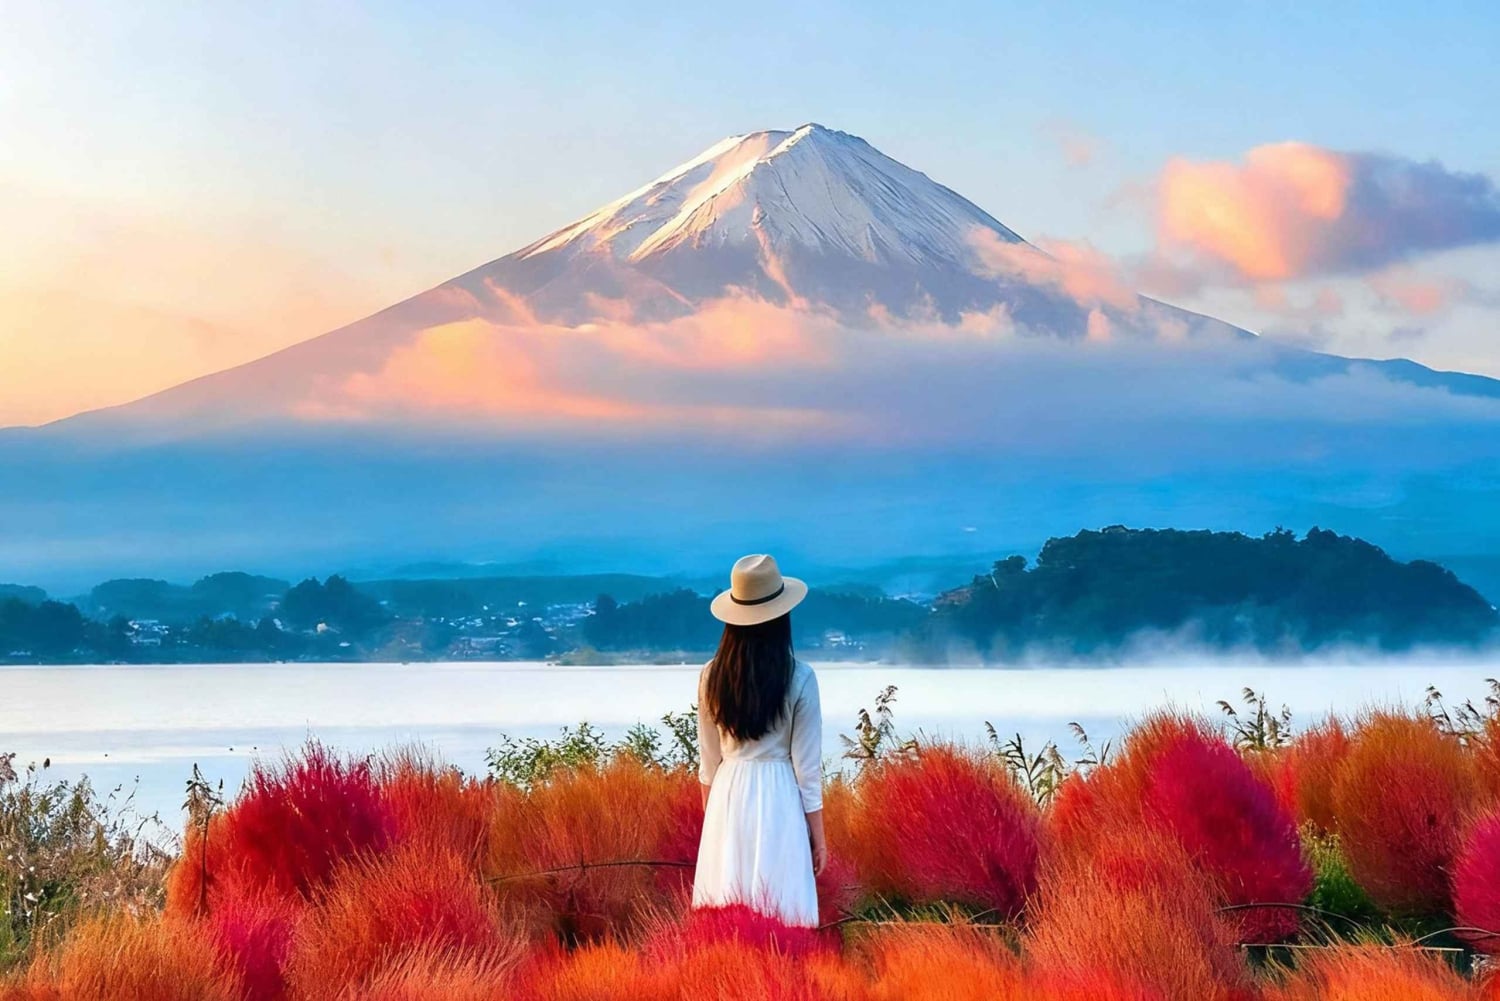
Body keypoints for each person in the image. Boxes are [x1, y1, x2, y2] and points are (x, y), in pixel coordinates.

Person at [692, 553, 826, 927]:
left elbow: (708, 764)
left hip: (727, 794)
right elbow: (808, 770)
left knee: (725, 911)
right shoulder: (799, 678)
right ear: (782, 616)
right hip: (779, 797)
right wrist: (818, 836)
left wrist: (714, 823)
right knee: (782, 911)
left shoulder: (710, 677)